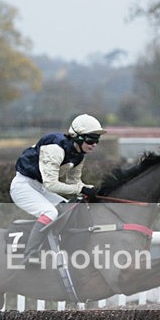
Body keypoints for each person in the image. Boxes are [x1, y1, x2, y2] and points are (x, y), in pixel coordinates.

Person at [10, 113, 106, 264]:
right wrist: (81, 189)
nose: (94, 144)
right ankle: (30, 254)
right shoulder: (55, 147)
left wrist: (92, 189)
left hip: (40, 187)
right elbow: (51, 184)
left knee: (69, 208)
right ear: (78, 138)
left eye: (97, 140)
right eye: (91, 140)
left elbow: (73, 181)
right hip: (23, 186)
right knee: (50, 212)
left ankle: (55, 244)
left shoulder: (79, 154)